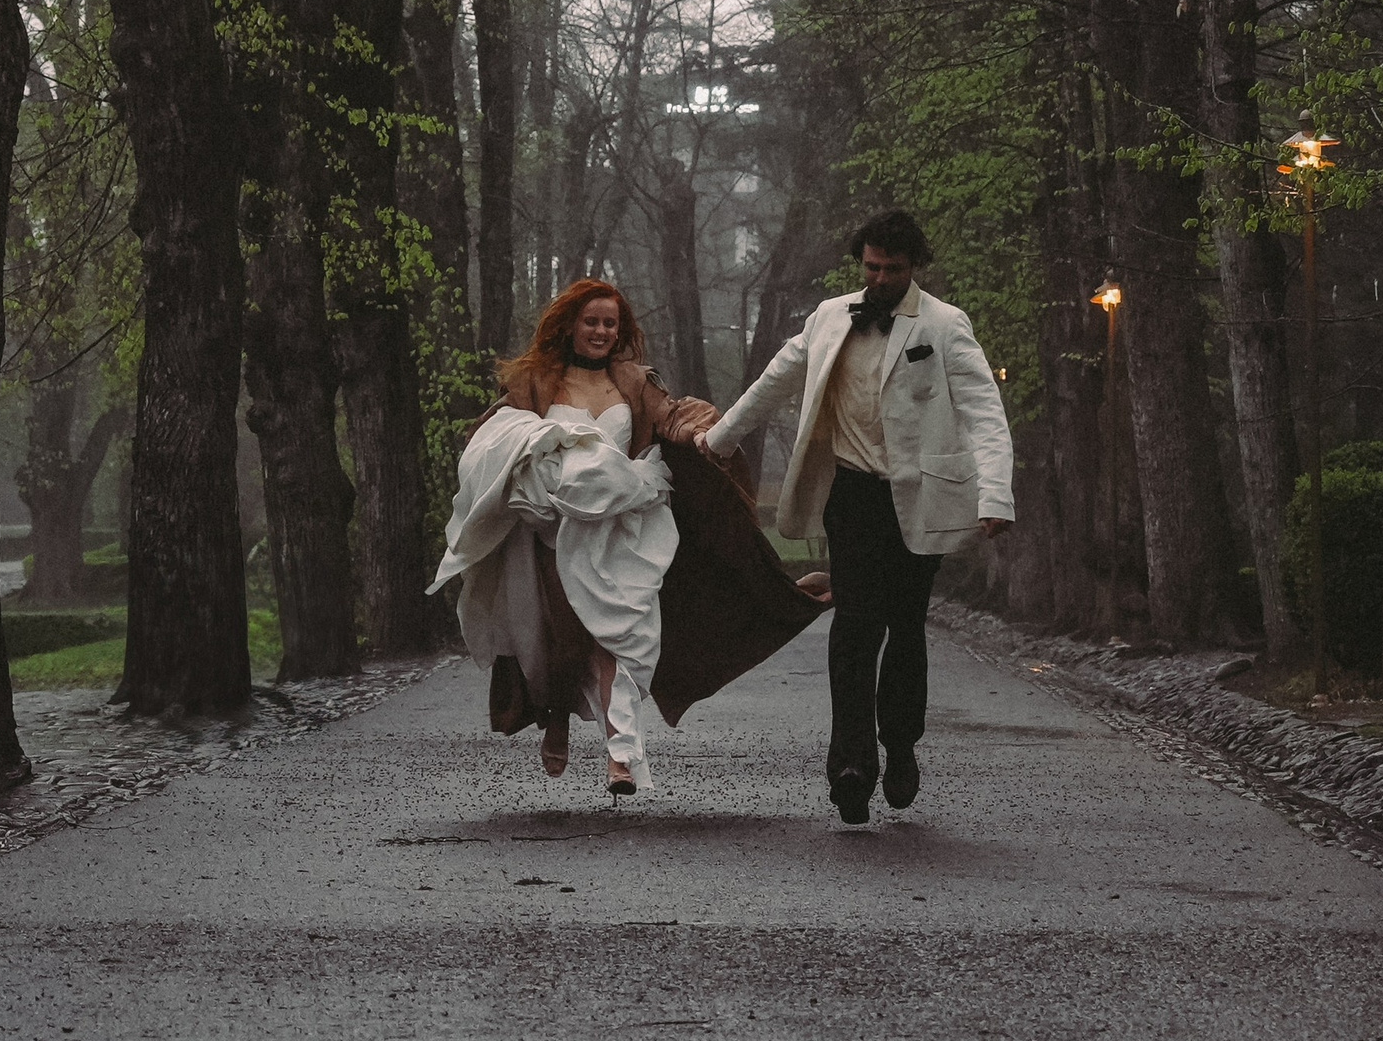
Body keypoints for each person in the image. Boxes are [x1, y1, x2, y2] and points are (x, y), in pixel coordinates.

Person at [432, 277, 815, 797]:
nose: (601, 331)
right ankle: (558, 716)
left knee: (617, 639)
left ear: (621, 329)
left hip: (623, 534)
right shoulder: (537, 380)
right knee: (564, 638)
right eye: (591, 321)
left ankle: (621, 756)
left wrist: (705, 431)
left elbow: (673, 416)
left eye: (610, 323)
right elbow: (495, 436)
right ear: (569, 325)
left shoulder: (635, 381)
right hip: (555, 530)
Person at [702, 208, 1015, 825]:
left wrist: (995, 494)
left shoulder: (946, 326)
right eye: (871, 267)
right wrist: (719, 440)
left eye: (892, 269)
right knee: (853, 628)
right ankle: (850, 760)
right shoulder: (828, 317)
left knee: (906, 627)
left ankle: (900, 745)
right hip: (851, 495)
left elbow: (984, 411)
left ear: (914, 267)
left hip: (921, 497)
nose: (879, 278)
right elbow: (775, 380)